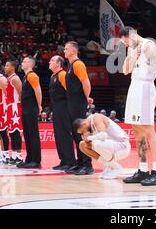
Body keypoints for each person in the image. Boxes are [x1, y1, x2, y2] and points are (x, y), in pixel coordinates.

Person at [119, 27, 156, 186]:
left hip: (146, 87)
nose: (126, 45)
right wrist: (130, 56)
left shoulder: (148, 45)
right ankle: (143, 169)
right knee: (136, 130)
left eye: (126, 41)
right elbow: (125, 71)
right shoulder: (132, 49)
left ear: (131, 35)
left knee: (148, 129)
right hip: (134, 87)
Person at [64, 41, 94, 175]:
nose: (64, 51)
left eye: (66, 49)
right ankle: (80, 162)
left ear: (73, 51)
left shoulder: (78, 64)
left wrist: (87, 98)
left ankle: (88, 165)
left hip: (78, 102)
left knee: (82, 132)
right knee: (76, 134)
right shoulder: (70, 65)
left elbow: (85, 82)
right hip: (72, 102)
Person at [73, 113, 131, 179]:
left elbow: (103, 136)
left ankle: (115, 168)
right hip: (111, 147)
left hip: (123, 146)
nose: (83, 133)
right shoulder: (88, 126)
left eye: (83, 131)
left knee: (96, 143)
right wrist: (87, 140)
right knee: (82, 145)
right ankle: (109, 165)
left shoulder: (96, 117)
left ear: (84, 124)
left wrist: (88, 138)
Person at [48, 55, 75, 171]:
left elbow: (69, 92)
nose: (49, 62)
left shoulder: (62, 75)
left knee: (65, 134)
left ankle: (70, 161)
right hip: (56, 107)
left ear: (58, 64)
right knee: (59, 135)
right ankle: (63, 160)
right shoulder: (53, 76)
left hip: (64, 108)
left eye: (52, 60)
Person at [18, 56, 42, 169]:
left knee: (33, 135)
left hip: (31, 108)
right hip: (26, 108)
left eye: (25, 61)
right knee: (27, 135)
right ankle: (29, 158)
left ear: (30, 64)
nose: (22, 63)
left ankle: (36, 160)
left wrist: (39, 106)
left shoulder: (32, 75)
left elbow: (38, 91)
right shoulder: (25, 77)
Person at [4, 60, 24, 165]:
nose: (5, 67)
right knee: (12, 133)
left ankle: (19, 156)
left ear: (12, 67)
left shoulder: (15, 78)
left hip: (15, 106)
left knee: (16, 133)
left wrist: (18, 104)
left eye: (7, 66)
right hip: (10, 107)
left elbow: (21, 92)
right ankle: (15, 155)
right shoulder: (9, 79)